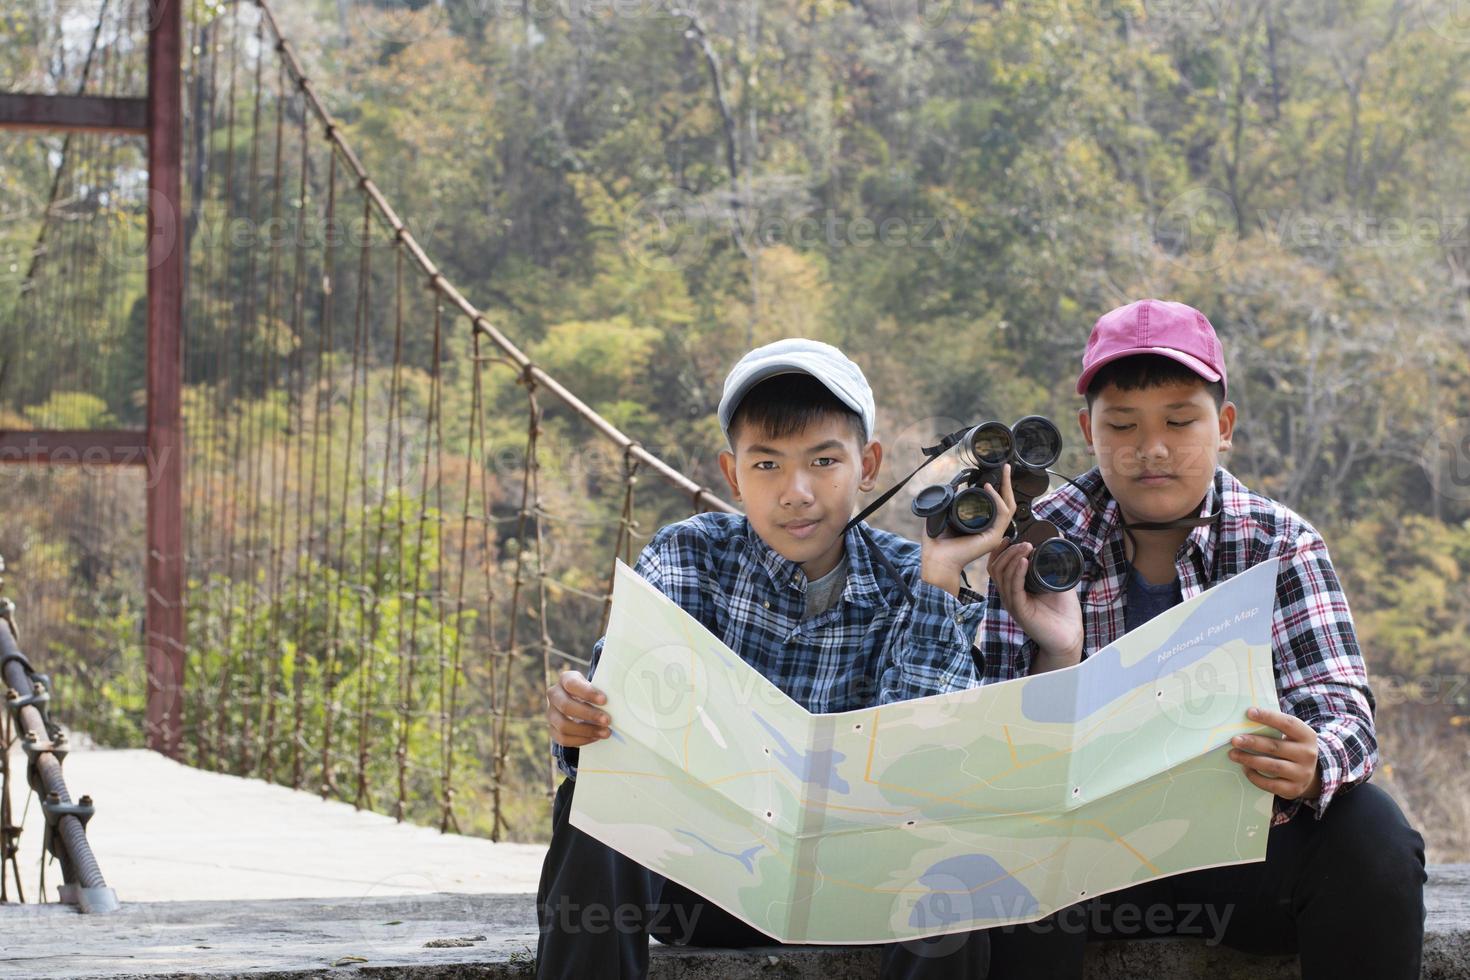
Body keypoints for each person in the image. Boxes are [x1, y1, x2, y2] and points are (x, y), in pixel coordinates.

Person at [536, 338, 1015, 979]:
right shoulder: (690, 557)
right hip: (703, 884)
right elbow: (617, 730)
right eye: (766, 466)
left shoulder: (916, 580)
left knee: (953, 848)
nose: (796, 492)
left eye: (823, 461)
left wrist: (941, 579)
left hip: (858, 892)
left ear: (867, 465)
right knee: (591, 797)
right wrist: (583, 721)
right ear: (732, 475)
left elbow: (929, 764)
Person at [979, 298, 1428, 979]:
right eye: (1122, 425)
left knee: (1373, 834)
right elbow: (990, 747)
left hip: (1242, 853)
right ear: (1086, 430)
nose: (1151, 449)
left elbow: (1343, 709)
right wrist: (1058, 655)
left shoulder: (1278, 541)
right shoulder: (1041, 541)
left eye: (1180, 421)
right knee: (1009, 850)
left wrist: (1312, 764)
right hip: (1085, 868)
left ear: (1223, 427)